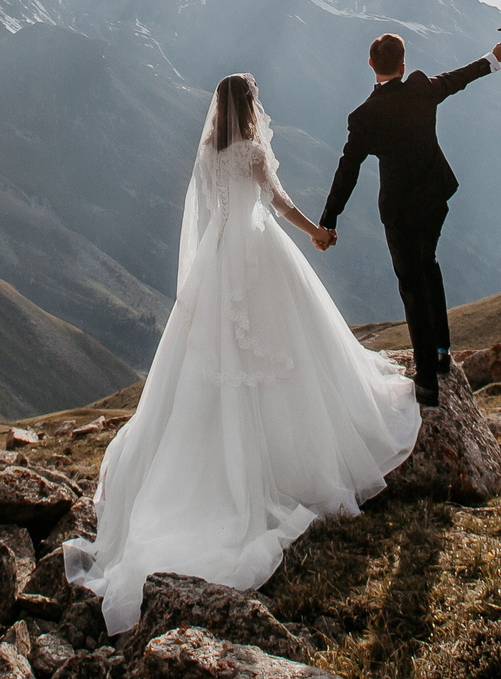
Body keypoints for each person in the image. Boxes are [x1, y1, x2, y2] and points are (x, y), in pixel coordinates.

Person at [63, 73, 421, 635]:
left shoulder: (208, 154)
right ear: (247, 108)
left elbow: (212, 211)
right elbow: (275, 202)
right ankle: (295, 459)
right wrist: (316, 234)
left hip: (220, 256)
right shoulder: (253, 151)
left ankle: (222, 462)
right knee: (291, 349)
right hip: (258, 253)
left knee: (216, 366)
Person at [316, 31, 501, 407]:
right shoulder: (421, 88)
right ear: (403, 66)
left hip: (400, 211)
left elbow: (348, 170)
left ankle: (426, 381)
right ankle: (440, 353)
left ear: (371, 64)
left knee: (411, 285)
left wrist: (330, 220)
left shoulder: (363, 117)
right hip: (435, 197)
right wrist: (495, 57)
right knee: (430, 265)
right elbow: (459, 78)